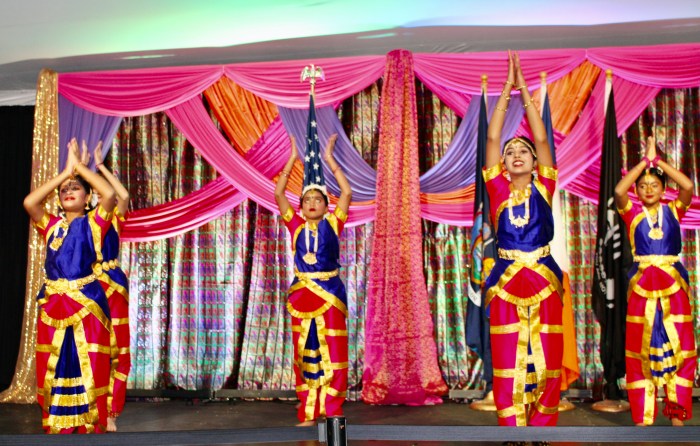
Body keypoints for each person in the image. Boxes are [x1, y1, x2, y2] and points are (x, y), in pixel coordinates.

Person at [482, 51, 564, 427]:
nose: (516, 154)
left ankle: (543, 431)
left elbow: (543, 135)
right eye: (510, 153)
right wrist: (505, 90)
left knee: (547, 358)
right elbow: (494, 134)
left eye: (524, 152)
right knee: (505, 359)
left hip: (544, 279)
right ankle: (511, 432)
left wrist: (525, 90)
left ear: (536, 163)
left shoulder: (545, 186)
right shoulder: (497, 189)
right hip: (505, 278)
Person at [23, 138, 116, 433]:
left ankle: (90, 424)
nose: (67, 191)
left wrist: (81, 168)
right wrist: (65, 172)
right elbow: (29, 202)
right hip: (53, 302)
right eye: (64, 190)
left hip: (86, 301)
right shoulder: (51, 225)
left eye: (75, 188)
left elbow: (110, 193)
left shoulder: (94, 222)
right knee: (57, 362)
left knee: (87, 362)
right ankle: (59, 424)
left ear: (88, 197)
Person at [614, 134, 696, 426]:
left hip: (673, 286)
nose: (648, 189)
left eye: (655, 185)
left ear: (663, 189)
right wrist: (643, 163)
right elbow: (618, 190)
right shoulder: (632, 213)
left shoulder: (675, 210)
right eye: (643, 186)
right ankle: (643, 417)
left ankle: (677, 415)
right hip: (642, 289)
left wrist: (658, 160)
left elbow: (687, 186)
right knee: (640, 349)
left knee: (681, 349)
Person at [274, 133, 351, 426]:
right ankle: (308, 409)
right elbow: (279, 195)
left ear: (325, 205)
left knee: (334, 350)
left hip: (330, 293)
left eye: (318, 199)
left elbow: (346, 193)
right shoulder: (295, 225)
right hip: (302, 294)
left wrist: (330, 160)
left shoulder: (334, 222)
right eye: (307, 199)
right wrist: (292, 158)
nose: (312, 203)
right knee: (304, 353)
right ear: (302, 206)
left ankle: (332, 409)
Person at [88, 142, 131, 432]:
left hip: (114, 287)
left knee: (119, 352)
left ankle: (111, 410)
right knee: (93, 352)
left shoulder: (115, 218)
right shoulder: (80, 223)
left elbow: (123, 194)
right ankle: (89, 408)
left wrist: (100, 166)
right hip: (90, 289)